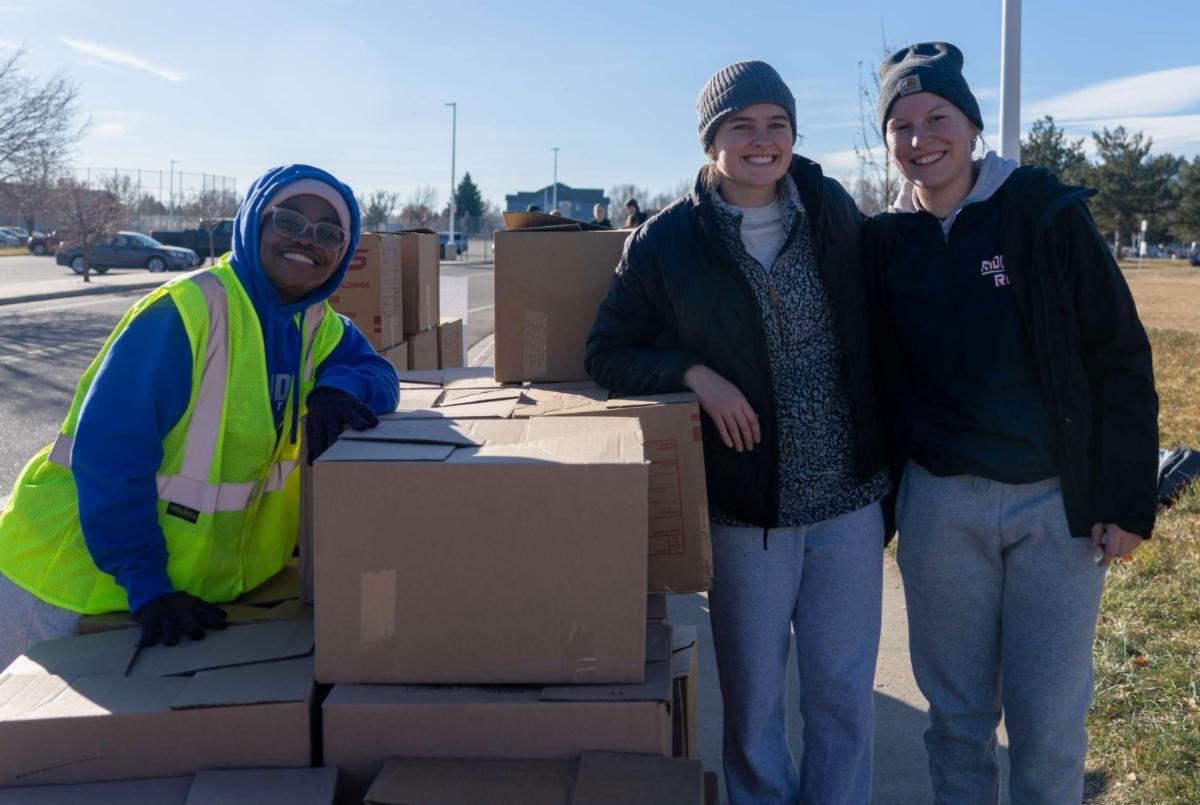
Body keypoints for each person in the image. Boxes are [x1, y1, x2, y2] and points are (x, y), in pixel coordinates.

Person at [587, 61, 890, 805]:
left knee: (844, 694)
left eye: (776, 124)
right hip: (742, 511)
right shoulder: (667, 241)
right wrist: (694, 372)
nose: (762, 140)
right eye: (741, 126)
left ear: (793, 134)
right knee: (755, 703)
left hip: (848, 502)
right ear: (710, 140)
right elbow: (607, 351)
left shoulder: (830, 209)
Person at [865, 43, 1158, 805]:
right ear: (886, 140)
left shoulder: (1040, 213)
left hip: (1053, 511)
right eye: (901, 124)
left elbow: (1118, 354)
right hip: (941, 508)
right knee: (957, 723)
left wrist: (1125, 499)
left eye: (938, 118)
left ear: (971, 124)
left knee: (1048, 725)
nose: (921, 138)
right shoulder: (885, 245)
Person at [0, 164, 399, 664]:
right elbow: (110, 455)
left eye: (328, 232)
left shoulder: (314, 325)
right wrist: (147, 584)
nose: (307, 239)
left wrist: (337, 389)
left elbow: (377, 372)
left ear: (343, 251)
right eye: (289, 221)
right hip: (64, 586)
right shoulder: (186, 312)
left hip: (177, 599)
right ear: (255, 222)